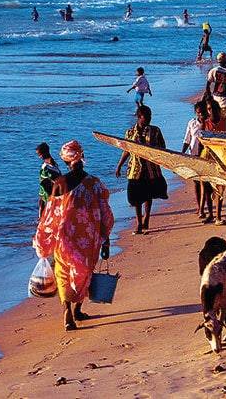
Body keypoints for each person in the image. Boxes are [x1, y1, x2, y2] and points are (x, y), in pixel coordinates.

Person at [34, 140, 114, 331]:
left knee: (63, 273)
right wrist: (106, 238)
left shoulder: (60, 183)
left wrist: (44, 239)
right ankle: (78, 308)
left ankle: (68, 312)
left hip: (65, 237)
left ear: (66, 160)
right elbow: (106, 214)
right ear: (81, 157)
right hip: (89, 237)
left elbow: (50, 214)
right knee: (84, 273)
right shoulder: (95, 183)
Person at [115, 106, 168, 235]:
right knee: (136, 198)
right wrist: (119, 166)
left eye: (150, 117)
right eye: (146, 117)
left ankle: (146, 218)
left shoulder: (155, 131)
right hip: (135, 169)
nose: (149, 120)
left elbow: (162, 148)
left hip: (151, 168)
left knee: (148, 195)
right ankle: (139, 223)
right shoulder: (130, 132)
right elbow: (127, 150)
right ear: (139, 117)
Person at [202, 99, 226, 225]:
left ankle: (218, 216)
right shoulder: (204, 123)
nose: (211, 111)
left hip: (220, 157)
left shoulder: (225, 123)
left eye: (213, 108)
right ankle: (211, 214)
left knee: (220, 187)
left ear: (218, 109)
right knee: (207, 188)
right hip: (207, 157)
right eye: (208, 109)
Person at [182, 101, 209, 220]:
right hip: (194, 155)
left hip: (207, 156)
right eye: (198, 113)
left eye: (202, 113)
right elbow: (187, 139)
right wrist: (182, 153)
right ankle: (200, 207)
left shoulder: (209, 123)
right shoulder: (192, 123)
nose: (201, 115)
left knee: (206, 183)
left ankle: (205, 206)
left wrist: (204, 124)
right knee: (196, 182)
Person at [205, 52, 226, 121]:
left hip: (215, 99)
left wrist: (209, 95)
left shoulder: (214, 70)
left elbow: (208, 84)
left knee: (215, 118)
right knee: (223, 119)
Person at [36, 142, 61, 219]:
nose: (39, 157)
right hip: (46, 192)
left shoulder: (49, 165)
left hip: (49, 193)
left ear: (45, 152)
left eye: (40, 154)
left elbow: (55, 178)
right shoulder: (51, 163)